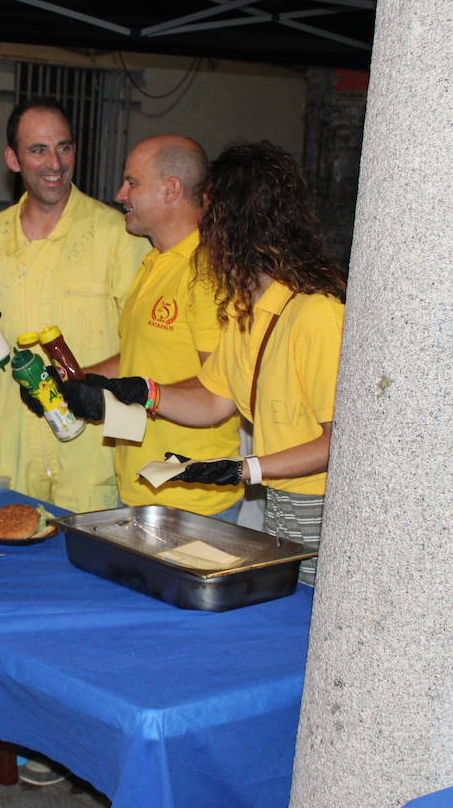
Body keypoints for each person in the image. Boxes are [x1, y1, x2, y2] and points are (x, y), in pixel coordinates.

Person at [64, 141, 346, 585]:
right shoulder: (244, 309)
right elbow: (215, 400)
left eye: (211, 217)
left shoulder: (316, 313)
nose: (203, 231)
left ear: (241, 227)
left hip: (324, 504)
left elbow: (341, 443)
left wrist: (245, 468)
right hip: (282, 499)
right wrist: (143, 392)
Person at [0, 99, 147, 514]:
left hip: (91, 452)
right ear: (12, 158)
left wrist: (83, 386)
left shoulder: (116, 235)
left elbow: (145, 344)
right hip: (13, 454)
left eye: (65, 147)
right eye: (38, 149)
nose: (55, 163)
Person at [71, 134, 242, 521]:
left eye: (132, 182)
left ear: (171, 189)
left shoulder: (206, 271)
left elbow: (219, 394)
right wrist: (76, 383)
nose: (120, 193)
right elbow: (137, 360)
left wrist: (142, 394)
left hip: (191, 499)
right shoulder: (154, 263)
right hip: (140, 486)